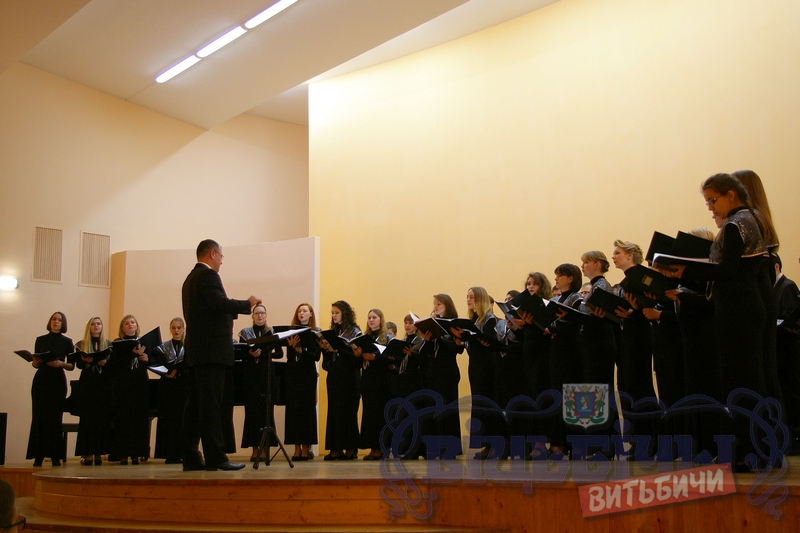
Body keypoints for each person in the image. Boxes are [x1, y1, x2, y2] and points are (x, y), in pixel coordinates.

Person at [665, 174, 769, 471]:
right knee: (746, 380)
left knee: (741, 381)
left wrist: (686, 271)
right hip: (742, 305)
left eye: (713, 200)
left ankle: (749, 452)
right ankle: (757, 450)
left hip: (738, 308)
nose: (710, 207)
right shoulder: (748, 218)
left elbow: (728, 270)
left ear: (731, 195)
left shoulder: (736, 224)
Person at [181, 239, 260, 472]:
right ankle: (216, 457)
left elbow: (208, 311)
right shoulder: (208, 276)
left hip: (197, 353)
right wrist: (247, 304)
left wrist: (230, 310)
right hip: (212, 352)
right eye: (221, 256)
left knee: (195, 407)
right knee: (211, 407)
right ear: (213, 254)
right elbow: (219, 304)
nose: (222, 261)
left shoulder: (190, 279)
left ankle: (191, 456)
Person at [611, 240, 658, 458]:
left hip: (640, 335)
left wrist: (634, 312)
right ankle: (638, 440)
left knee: (639, 387)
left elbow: (650, 304)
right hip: (628, 335)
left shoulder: (640, 276)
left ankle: (649, 441)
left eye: (618, 253)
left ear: (630, 255)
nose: (613, 256)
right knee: (627, 387)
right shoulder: (626, 280)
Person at [578, 251, 619, 459]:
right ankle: (597, 442)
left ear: (597, 264)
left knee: (600, 392)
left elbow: (597, 313)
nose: (583, 266)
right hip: (593, 343)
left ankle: (607, 444)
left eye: (586, 262)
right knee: (594, 393)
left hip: (600, 344)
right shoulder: (595, 286)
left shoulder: (601, 285)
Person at [543, 264, 584, 458]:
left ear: (570, 278)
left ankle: (576, 444)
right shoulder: (557, 300)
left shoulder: (576, 299)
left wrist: (553, 329)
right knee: (557, 397)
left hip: (572, 352)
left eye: (560, 275)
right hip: (556, 351)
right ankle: (558, 442)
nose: (556, 279)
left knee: (573, 398)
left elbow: (576, 325)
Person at [418, 293, 464, 459]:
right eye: (435, 304)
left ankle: (449, 448)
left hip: (448, 371)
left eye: (439, 304)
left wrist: (441, 336)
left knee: (448, 408)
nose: (435, 306)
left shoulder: (453, 323)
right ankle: (434, 447)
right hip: (434, 371)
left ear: (447, 306)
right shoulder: (434, 323)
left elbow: (458, 348)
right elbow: (428, 353)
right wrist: (428, 340)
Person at [27, 311, 74, 467]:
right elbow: (36, 363)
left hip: (57, 381)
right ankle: (38, 456)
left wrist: (60, 364)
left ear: (63, 323)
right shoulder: (40, 340)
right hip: (41, 380)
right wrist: (35, 363)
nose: (56, 321)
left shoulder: (67, 341)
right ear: (50, 321)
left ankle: (55, 456)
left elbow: (72, 366)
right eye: (54, 319)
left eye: (59, 320)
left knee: (55, 418)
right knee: (39, 417)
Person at [238, 304, 281, 461]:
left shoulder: (271, 332)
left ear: (266, 315)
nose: (260, 316)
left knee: (266, 412)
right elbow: (240, 354)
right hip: (251, 376)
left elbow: (279, 353)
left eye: (262, 313)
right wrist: (250, 353)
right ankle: (255, 449)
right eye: (257, 313)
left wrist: (264, 353)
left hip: (266, 375)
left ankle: (265, 449)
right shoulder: (245, 333)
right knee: (252, 413)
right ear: (253, 316)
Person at [319, 300, 362, 460]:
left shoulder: (354, 332)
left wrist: (341, 350)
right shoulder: (333, 332)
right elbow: (327, 361)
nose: (334, 316)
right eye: (332, 313)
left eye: (337, 313)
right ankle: (335, 448)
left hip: (349, 376)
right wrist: (325, 349)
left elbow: (357, 359)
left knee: (348, 412)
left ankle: (351, 448)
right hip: (335, 376)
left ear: (345, 314)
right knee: (335, 412)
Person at [109, 315, 151, 465]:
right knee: (123, 419)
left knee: (138, 419)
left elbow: (151, 362)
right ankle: (122, 454)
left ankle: (136, 454)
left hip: (140, 384)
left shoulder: (144, 342)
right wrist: (132, 354)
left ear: (136, 325)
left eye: (132, 322)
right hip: (124, 385)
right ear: (122, 328)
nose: (130, 324)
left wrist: (147, 359)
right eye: (126, 323)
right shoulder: (117, 343)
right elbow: (115, 365)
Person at [284, 303, 321, 461]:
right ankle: (296, 448)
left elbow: (316, 356)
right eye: (299, 311)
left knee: (306, 410)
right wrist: (292, 347)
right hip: (293, 374)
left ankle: (306, 448)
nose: (301, 313)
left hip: (307, 375)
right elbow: (289, 357)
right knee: (293, 411)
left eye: (305, 311)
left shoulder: (315, 333)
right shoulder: (292, 332)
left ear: (310, 314)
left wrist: (302, 350)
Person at [74, 317, 111, 466]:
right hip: (88, 385)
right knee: (87, 419)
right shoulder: (81, 344)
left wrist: (105, 363)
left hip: (102, 385)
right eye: (93, 324)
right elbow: (78, 365)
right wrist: (86, 361)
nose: (96, 326)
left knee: (101, 419)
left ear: (102, 327)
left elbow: (113, 366)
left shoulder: (108, 344)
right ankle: (87, 453)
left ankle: (98, 453)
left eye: (98, 324)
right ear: (89, 327)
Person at [359, 309, 394, 460]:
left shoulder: (387, 338)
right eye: (369, 318)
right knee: (370, 414)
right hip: (368, 380)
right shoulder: (365, 337)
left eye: (374, 317)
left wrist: (375, 357)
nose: (371, 320)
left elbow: (392, 357)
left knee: (380, 415)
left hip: (382, 380)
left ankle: (381, 448)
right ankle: (373, 448)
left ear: (381, 319)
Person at [152, 317, 188, 464]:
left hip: (184, 386)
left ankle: (184, 453)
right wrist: (166, 373)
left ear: (183, 329)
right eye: (173, 328)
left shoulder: (189, 346)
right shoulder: (163, 347)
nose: (176, 330)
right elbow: (156, 363)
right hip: (168, 387)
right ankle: (169, 453)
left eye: (179, 327)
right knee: (169, 420)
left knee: (183, 420)